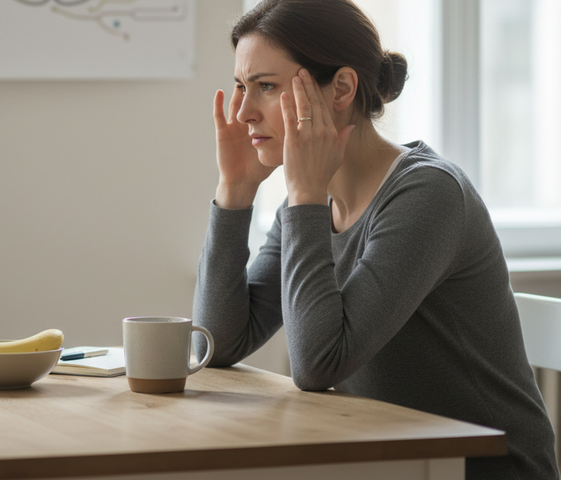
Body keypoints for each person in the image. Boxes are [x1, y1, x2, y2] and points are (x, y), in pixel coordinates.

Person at [192, 0, 559, 478]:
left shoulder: (428, 194)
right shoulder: (307, 207)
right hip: (391, 463)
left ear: (342, 87)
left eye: (265, 87)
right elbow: (216, 344)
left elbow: (319, 364)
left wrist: (305, 195)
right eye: (241, 87)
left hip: (480, 469)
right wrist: (235, 194)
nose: (242, 113)